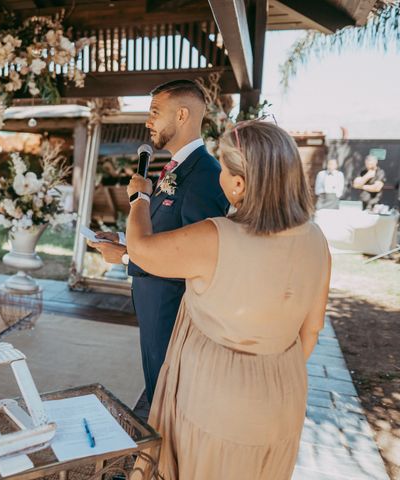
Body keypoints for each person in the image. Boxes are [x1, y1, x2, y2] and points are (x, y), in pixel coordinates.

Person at [127, 121, 331, 480]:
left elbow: (141, 251)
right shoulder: (317, 240)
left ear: (238, 184)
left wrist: (140, 198)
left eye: (222, 166)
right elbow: (311, 331)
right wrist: (266, 368)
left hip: (215, 399)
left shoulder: (215, 237)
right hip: (282, 395)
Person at [88, 80, 228, 403]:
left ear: (181, 115)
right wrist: (123, 240)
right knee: (156, 393)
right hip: (154, 308)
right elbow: (169, 233)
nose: (148, 122)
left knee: (170, 399)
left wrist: (125, 259)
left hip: (174, 311)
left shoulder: (205, 175)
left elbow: (192, 258)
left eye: (154, 112)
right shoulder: (176, 167)